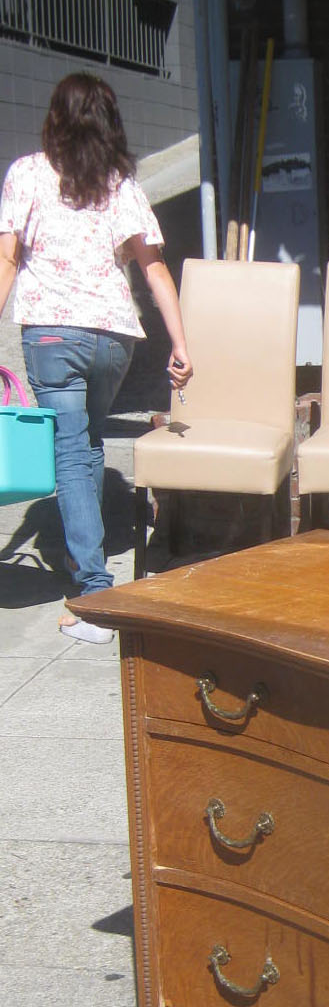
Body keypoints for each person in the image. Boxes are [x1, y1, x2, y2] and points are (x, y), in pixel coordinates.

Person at [0, 71, 192, 643]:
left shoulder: (27, 173)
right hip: (114, 340)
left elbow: (8, 260)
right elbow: (154, 268)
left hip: (53, 336)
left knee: (72, 449)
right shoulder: (122, 186)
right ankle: (93, 579)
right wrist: (181, 343)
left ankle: (92, 592)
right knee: (84, 442)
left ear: (55, 118)